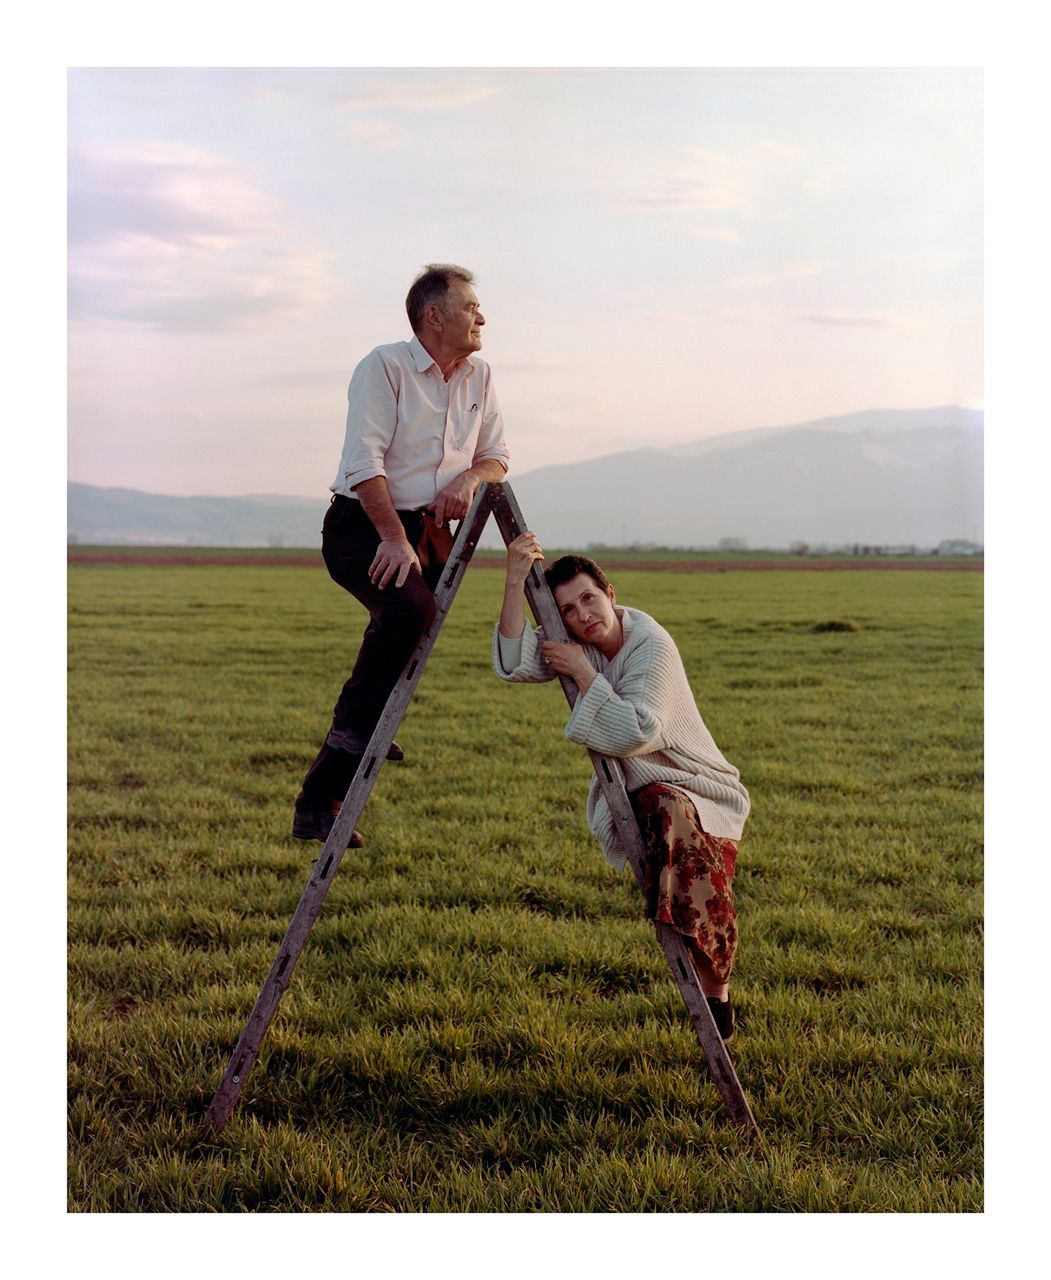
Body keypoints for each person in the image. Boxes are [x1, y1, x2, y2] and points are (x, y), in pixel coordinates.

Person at [492, 534, 750, 1040]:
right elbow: (517, 661)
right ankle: (706, 982)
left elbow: (638, 730)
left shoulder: (650, 644)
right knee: (667, 823)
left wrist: (585, 674)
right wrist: (513, 580)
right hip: (645, 789)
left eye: (589, 598)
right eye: (568, 611)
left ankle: (715, 990)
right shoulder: (581, 640)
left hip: (698, 785)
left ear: (610, 593)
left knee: (677, 827)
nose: (583, 615)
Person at [294, 264, 510, 844]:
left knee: (408, 631)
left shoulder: (481, 375)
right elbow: (363, 462)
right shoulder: (383, 366)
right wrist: (393, 537)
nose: (482, 318)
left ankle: (332, 781)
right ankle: (336, 771)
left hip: (431, 530)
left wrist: (469, 479)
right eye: (471, 308)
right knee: (411, 612)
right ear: (433, 316)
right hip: (365, 524)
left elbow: (496, 455)